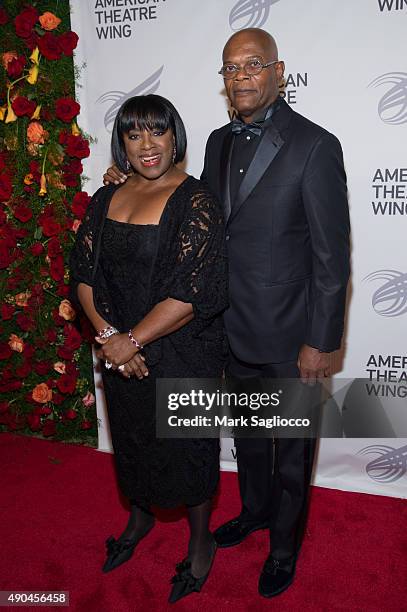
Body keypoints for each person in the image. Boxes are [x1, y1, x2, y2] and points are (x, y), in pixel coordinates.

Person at [103, 28, 350, 599]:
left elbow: (332, 256)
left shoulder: (316, 145)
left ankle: (284, 548)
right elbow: (185, 203)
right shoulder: (215, 142)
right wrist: (123, 176)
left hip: (290, 333)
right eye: (229, 68)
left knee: (291, 450)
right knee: (247, 436)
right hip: (223, 327)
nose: (239, 76)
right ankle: (255, 512)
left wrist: (322, 339)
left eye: (252, 64)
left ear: (278, 71)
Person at [70, 94, 228, 604]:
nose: (147, 145)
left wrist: (131, 339)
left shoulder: (197, 200)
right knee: (134, 441)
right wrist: (110, 338)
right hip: (122, 354)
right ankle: (139, 520)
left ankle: (201, 541)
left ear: (174, 136)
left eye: (156, 132)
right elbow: (83, 278)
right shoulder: (105, 198)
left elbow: (192, 293)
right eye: (134, 135)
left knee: (190, 452)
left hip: (184, 353)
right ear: (122, 144)